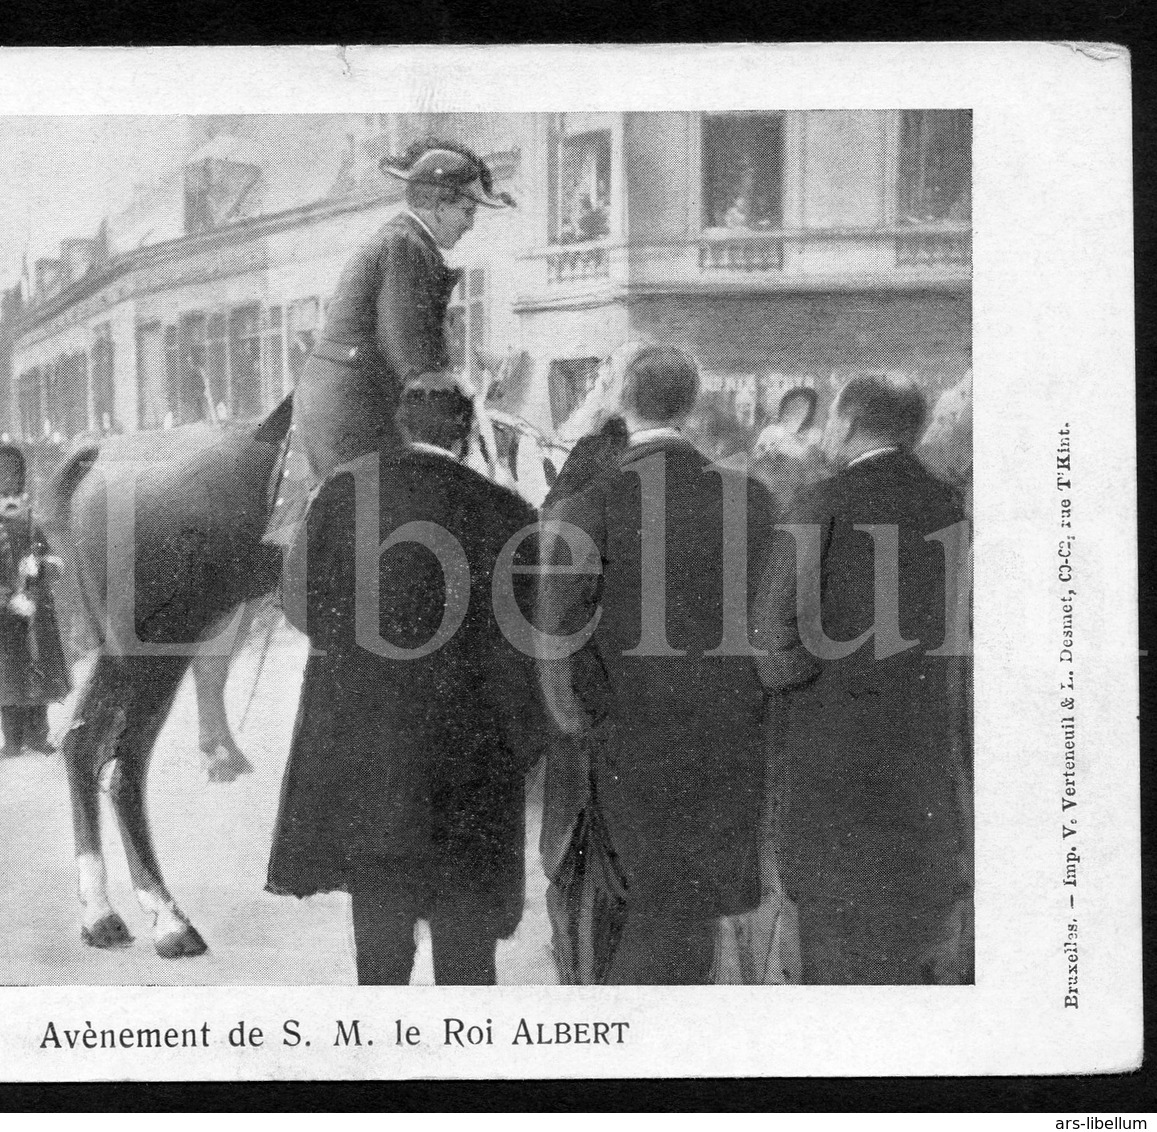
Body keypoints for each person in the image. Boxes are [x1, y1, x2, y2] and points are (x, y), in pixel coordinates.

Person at [267, 387, 549, 985]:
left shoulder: (343, 494)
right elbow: (530, 638)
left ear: (401, 427)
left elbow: (301, 608)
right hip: (470, 757)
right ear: (466, 435)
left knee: (381, 950)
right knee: (468, 958)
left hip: (370, 748)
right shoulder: (507, 511)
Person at [538, 345, 774, 984]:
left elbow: (557, 635)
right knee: (691, 926)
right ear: (691, 405)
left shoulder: (590, 502)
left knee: (629, 928)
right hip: (723, 748)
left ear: (621, 401)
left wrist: (576, 724)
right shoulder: (752, 501)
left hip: (623, 749)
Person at [751, 375, 971, 984]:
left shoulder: (821, 500)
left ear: (845, 425)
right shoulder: (950, 501)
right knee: (908, 940)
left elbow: (770, 637)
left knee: (835, 940)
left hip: (832, 759)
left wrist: (815, 681)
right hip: (923, 760)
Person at [274, 138, 515, 542]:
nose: (470, 223)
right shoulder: (408, 247)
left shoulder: (405, 241)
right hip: (353, 408)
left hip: (353, 396)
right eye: (467, 210)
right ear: (439, 204)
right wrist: (459, 392)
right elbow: (412, 357)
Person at [0, 444, 71, 758]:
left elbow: (53, 562)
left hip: (37, 612)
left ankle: (39, 736)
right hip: (3, 618)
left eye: (15, 494)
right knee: (9, 677)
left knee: (38, 671)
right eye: (3, 496)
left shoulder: (34, 528)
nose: (10, 501)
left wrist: (41, 565)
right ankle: (12, 739)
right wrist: (9, 600)